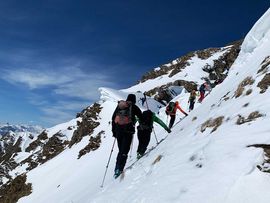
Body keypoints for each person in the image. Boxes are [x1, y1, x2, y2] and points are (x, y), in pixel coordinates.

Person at [112, 94, 142, 178]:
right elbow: (141, 117)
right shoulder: (134, 107)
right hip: (128, 131)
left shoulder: (120, 106)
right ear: (134, 100)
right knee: (124, 151)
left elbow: (113, 118)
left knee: (121, 150)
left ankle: (117, 168)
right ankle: (120, 169)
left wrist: (114, 131)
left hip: (118, 131)